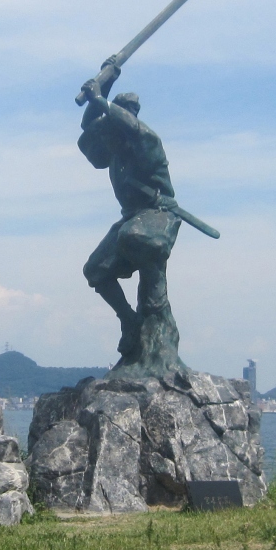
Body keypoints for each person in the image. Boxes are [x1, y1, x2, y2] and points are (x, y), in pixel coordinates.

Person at [78, 60, 185, 375]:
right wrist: (106, 81)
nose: (107, 140)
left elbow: (127, 125)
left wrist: (100, 97)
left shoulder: (145, 140)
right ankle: (129, 321)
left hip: (158, 214)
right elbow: (89, 128)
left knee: (137, 239)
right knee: (96, 270)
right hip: (133, 217)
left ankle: (158, 336)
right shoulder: (114, 152)